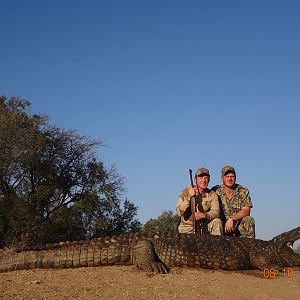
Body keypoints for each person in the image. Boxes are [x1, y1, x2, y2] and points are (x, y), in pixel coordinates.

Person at [176, 167, 223, 235]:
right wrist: (189, 197)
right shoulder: (186, 192)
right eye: (200, 177)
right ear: (195, 180)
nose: (203, 180)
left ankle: (218, 245)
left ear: (209, 180)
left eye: (206, 178)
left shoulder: (213, 195)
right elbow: (179, 212)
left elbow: (216, 213)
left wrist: (204, 215)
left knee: (217, 222)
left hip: (204, 225)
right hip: (186, 227)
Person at [212, 166, 255, 238]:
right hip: (221, 227)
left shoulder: (243, 191)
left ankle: (250, 247)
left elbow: (246, 210)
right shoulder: (215, 190)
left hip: (237, 226)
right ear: (222, 178)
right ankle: (217, 247)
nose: (230, 179)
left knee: (248, 220)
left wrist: (232, 219)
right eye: (227, 176)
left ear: (235, 178)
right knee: (216, 222)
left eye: (232, 176)